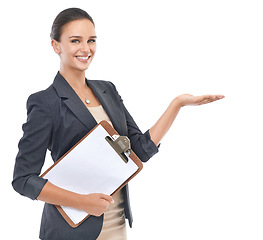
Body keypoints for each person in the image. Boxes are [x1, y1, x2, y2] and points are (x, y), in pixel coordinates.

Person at [12, 7, 224, 240]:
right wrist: (83, 202)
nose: (86, 49)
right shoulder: (45, 102)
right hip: (70, 230)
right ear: (56, 46)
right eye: (75, 40)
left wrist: (178, 104)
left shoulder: (108, 90)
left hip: (116, 224)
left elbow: (139, 150)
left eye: (91, 40)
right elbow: (23, 180)